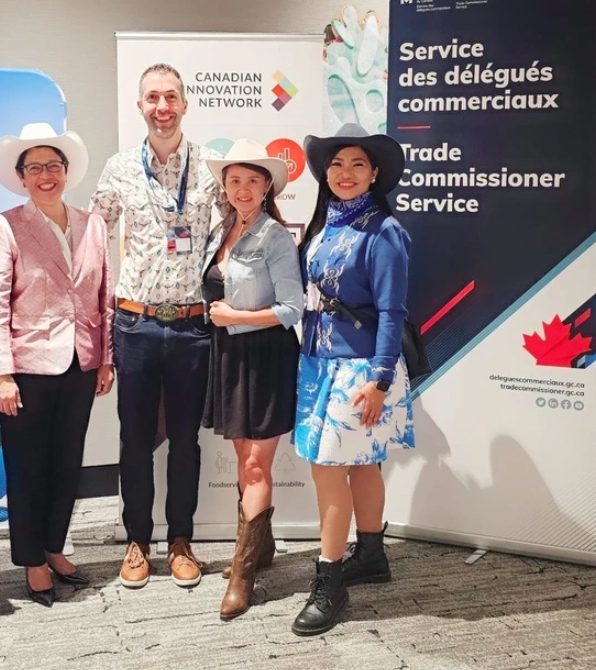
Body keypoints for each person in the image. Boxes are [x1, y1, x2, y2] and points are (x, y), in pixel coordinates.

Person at [90, 63, 228, 589]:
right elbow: (92, 238)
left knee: (188, 441)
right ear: (140, 105)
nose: (162, 107)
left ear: (185, 104)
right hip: (137, 325)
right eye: (153, 98)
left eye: (171, 97)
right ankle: (137, 542)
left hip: (194, 326)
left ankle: (181, 540)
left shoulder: (211, 170)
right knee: (134, 441)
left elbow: (234, 234)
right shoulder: (120, 167)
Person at [290, 123, 415, 636]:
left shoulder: (384, 232)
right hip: (319, 361)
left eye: (357, 164)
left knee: (328, 469)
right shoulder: (323, 226)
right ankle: (371, 555)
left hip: (361, 370)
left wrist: (380, 379)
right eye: (337, 164)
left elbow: (392, 311)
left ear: (375, 173)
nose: (345, 173)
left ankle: (330, 580)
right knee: (362, 466)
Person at [0, 123, 114, 607]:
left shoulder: (91, 223)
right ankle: (32, 558)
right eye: (34, 167)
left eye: (53, 166)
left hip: (81, 363)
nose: (45, 175)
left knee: (66, 464)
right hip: (28, 370)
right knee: (27, 468)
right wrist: (2, 373)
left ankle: (55, 545)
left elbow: (105, 297)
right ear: (21, 177)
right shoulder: (6, 225)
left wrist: (105, 358)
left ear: (66, 172)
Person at [200, 140, 303, 619]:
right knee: (245, 459)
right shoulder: (223, 229)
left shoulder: (275, 237)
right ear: (225, 186)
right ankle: (261, 549)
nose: (242, 189)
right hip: (230, 355)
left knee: (257, 467)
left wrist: (234, 318)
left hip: (265, 356)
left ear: (267, 188)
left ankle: (243, 575)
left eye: (252, 180)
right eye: (234, 180)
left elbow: (291, 309)